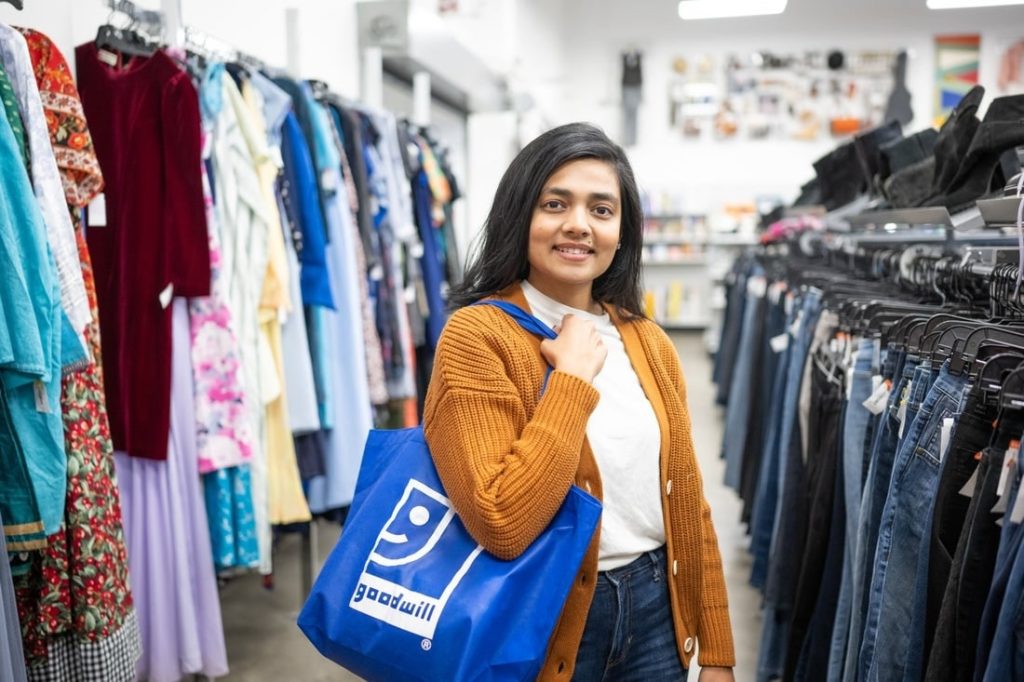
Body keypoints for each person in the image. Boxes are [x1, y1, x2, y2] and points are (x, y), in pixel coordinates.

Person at [423, 122, 736, 681]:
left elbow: (689, 502)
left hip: (656, 615)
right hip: (544, 619)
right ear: (521, 216)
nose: (578, 225)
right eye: (555, 203)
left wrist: (714, 650)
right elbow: (502, 521)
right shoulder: (477, 337)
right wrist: (571, 382)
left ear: (622, 231)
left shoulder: (650, 342)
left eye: (601, 209)